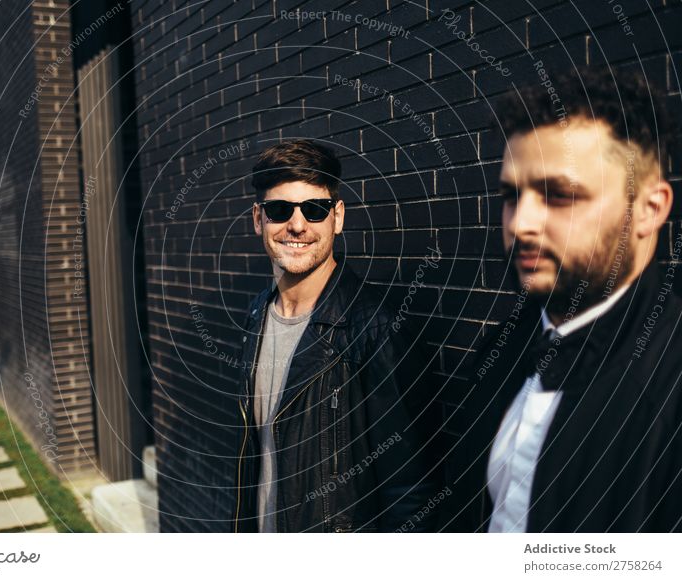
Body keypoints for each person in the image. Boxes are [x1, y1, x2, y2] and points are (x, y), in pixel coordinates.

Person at [441, 67, 682, 532]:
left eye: (560, 196)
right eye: (513, 196)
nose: (521, 224)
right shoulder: (502, 351)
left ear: (649, 209)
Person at [232, 139, 441, 532]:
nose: (297, 225)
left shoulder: (377, 328)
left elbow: (410, 490)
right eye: (280, 211)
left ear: (337, 217)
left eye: (314, 209)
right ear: (258, 219)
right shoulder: (257, 315)